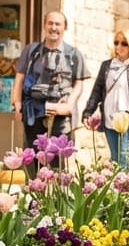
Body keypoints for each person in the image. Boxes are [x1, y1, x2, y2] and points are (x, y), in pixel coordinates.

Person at [11, 11, 89, 172]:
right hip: (33, 113)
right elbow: (19, 78)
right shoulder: (31, 51)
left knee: (57, 163)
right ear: (44, 25)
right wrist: (17, 103)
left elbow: (79, 84)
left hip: (61, 116)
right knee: (32, 160)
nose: (53, 27)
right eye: (50, 23)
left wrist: (69, 105)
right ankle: (35, 187)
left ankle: (55, 189)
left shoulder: (74, 54)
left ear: (64, 28)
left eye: (58, 24)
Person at [83, 29, 129, 165]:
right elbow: (97, 91)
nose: (119, 46)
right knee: (116, 159)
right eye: (116, 42)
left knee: (125, 159)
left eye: (124, 43)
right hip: (110, 119)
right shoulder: (107, 65)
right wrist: (88, 112)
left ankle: (127, 179)